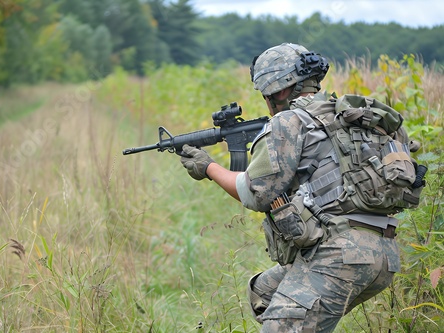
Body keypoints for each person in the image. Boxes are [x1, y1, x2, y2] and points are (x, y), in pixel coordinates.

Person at [179, 43, 423, 332]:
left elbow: (256, 193)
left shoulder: (289, 121)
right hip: (384, 255)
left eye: (266, 94)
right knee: (264, 294)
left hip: (340, 256)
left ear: (279, 90)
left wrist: (208, 168)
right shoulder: (348, 117)